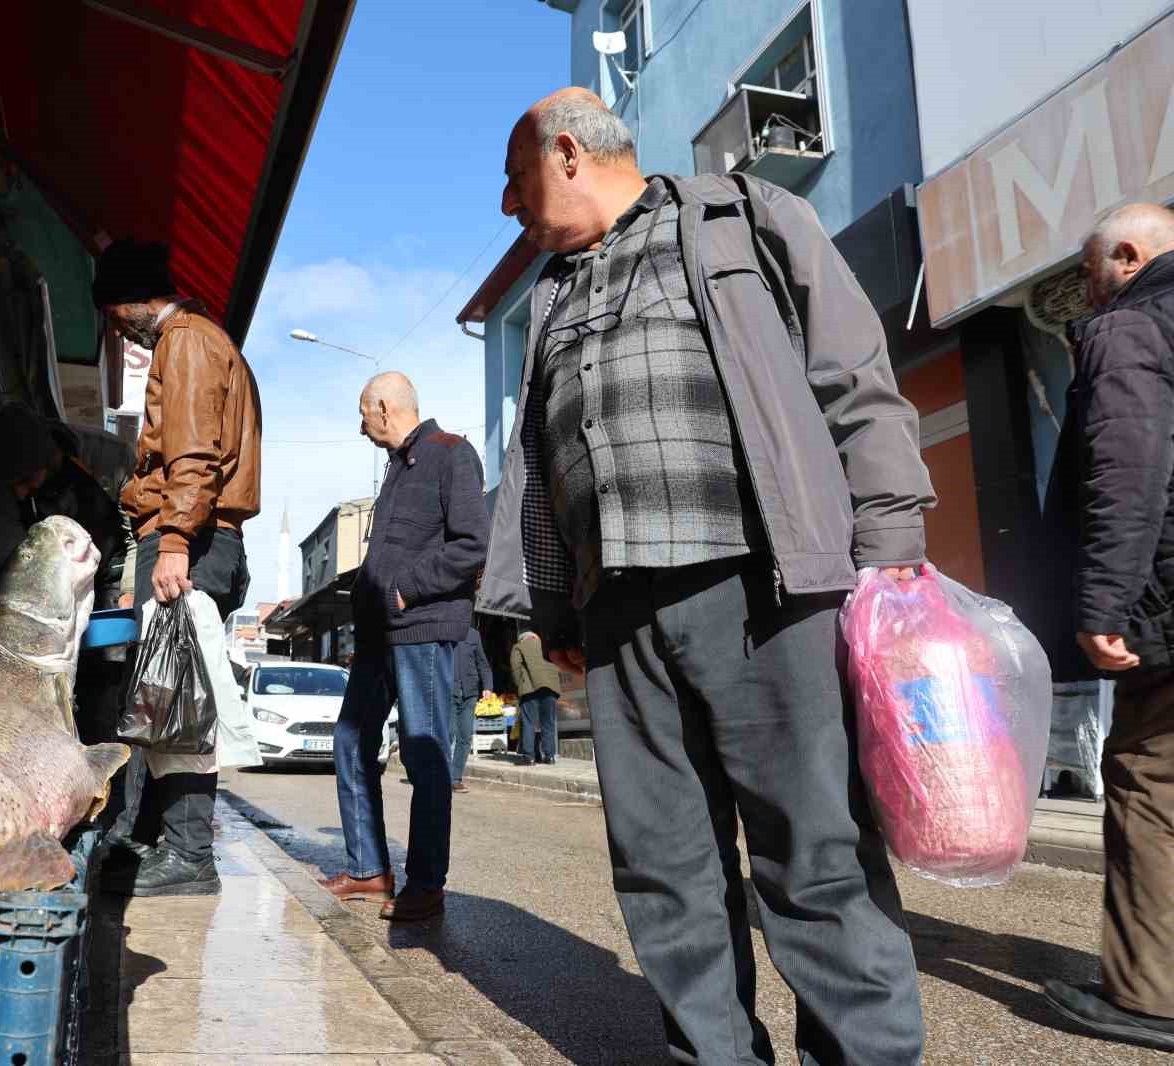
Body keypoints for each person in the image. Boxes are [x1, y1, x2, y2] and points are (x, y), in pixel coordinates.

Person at [478, 89, 935, 1064]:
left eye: (513, 181)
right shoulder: (553, 295)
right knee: (661, 870)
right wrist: (552, 602)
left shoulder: (741, 217)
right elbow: (544, 458)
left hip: (762, 585)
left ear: (565, 153)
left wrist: (889, 541)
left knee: (814, 861)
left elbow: (849, 370)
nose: (508, 208)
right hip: (621, 618)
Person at [1040, 203, 1174, 1052]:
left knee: (1148, 782)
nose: (1087, 293)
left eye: (1090, 273)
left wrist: (1103, 607)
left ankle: (1148, 996)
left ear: (1127, 256)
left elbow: (1127, 476)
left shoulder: (1129, 330)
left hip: (1164, 604)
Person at [92, 238, 261, 897]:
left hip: (188, 535)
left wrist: (172, 542)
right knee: (164, 695)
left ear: (133, 301)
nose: (115, 327)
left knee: (176, 695)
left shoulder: (185, 341)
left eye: (112, 313)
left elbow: (193, 451)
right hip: (196, 535)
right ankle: (158, 842)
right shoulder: (198, 339)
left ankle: (190, 856)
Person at [320, 372, 487, 920]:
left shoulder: (450, 454)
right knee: (350, 742)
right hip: (377, 640)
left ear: (384, 407)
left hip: (421, 629)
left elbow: (471, 547)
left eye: (363, 414)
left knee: (424, 752)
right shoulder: (396, 467)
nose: (361, 426)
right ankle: (369, 868)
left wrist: (402, 591)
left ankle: (426, 885)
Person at [0, 404, 135, 743]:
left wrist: (130, 589)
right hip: (47, 581)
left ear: (51, 455)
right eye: (12, 485)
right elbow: (14, 561)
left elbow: (137, 531)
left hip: (109, 578)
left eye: (25, 480)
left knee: (103, 698)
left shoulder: (110, 458)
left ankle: (106, 773)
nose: (20, 492)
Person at [449, 623, 493, 791]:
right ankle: (442, 775)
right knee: (449, 733)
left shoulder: (473, 635)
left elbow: (482, 662)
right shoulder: (444, 630)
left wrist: (487, 686)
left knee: (465, 736)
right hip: (448, 691)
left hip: (470, 692)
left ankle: (455, 778)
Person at [509, 628, 561, 765]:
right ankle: (549, 756)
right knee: (548, 723)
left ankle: (529, 756)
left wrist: (520, 684)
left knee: (529, 722)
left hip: (529, 688)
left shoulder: (518, 647)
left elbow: (515, 668)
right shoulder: (543, 647)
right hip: (550, 687)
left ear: (522, 639)